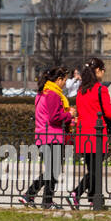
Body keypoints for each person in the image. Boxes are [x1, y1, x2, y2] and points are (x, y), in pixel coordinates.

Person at [21, 66, 74, 209]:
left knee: (52, 170)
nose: (65, 83)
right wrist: (70, 115)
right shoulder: (53, 94)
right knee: (54, 170)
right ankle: (42, 199)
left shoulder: (43, 93)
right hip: (52, 136)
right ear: (58, 80)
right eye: (64, 80)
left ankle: (34, 196)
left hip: (44, 136)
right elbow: (54, 117)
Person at [70, 58, 111, 209]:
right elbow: (110, 113)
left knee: (92, 169)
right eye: (103, 70)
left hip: (83, 134)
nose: (103, 73)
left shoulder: (81, 90)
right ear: (98, 71)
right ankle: (75, 194)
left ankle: (94, 199)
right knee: (95, 170)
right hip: (96, 135)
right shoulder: (100, 89)